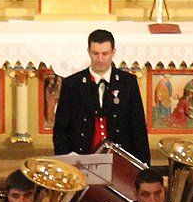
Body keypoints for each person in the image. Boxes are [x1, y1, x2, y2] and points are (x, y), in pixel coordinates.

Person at [50, 29, 149, 160]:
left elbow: (138, 127)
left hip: (120, 159)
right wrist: (66, 162)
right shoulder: (72, 84)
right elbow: (60, 130)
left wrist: (143, 168)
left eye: (105, 53)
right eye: (95, 54)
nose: (100, 59)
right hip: (82, 158)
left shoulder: (127, 83)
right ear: (88, 52)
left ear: (113, 52)